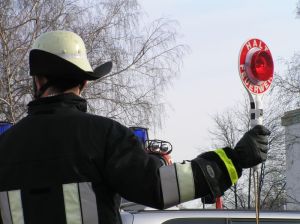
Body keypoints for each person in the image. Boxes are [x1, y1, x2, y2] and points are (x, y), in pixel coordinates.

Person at [0, 30, 270, 224]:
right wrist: (234, 159)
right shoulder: (104, 136)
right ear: (84, 82)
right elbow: (162, 188)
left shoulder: (4, 147)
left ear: (37, 80)